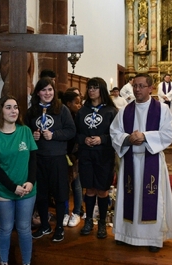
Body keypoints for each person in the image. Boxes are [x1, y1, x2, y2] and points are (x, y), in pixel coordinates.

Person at [109, 73, 172, 253]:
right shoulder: (125, 111)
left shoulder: (162, 109)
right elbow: (114, 132)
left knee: (152, 199)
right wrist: (128, 138)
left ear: (150, 88)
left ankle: (153, 238)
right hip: (131, 159)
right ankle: (126, 235)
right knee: (129, 197)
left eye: (141, 86)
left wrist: (145, 136)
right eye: (135, 86)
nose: (137, 89)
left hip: (151, 160)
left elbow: (168, 134)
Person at [0, 95, 37, 265]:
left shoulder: (25, 131)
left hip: (27, 189)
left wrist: (30, 181)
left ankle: (27, 262)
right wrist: (12, 187)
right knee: (5, 229)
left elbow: (33, 159)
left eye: (15, 107)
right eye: (8, 107)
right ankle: (4, 262)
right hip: (3, 190)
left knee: (24, 229)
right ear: (0, 110)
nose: (13, 110)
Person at [27, 77, 76, 242]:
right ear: (38, 92)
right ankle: (44, 225)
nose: (47, 93)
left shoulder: (61, 109)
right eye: (43, 90)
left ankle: (60, 227)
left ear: (54, 92)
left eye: (50, 90)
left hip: (57, 158)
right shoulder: (32, 110)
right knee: (40, 194)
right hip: (38, 158)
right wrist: (31, 135)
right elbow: (24, 131)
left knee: (60, 194)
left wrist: (54, 135)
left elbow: (71, 131)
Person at [75, 77, 117, 239]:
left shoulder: (111, 111)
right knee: (89, 189)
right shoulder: (82, 111)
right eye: (89, 87)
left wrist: (102, 139)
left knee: (102, 190)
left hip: (104, 156)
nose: (91, 90)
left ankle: (101, 222)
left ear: (102, 90)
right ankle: (89, 220)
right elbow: (75, 133)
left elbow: (117, 134)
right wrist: (83, 139)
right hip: (86, 155)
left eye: (95, 87)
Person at [60, 90, 83, 227]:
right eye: (76, 103)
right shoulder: (62, 115)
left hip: (75, 155)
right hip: (62, 154)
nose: (79, 105)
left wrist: (76, 155)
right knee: (63, 185)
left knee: (77, 184)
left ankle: (77, 211)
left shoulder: (79, 117)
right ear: (68, 104)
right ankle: (64, 212)